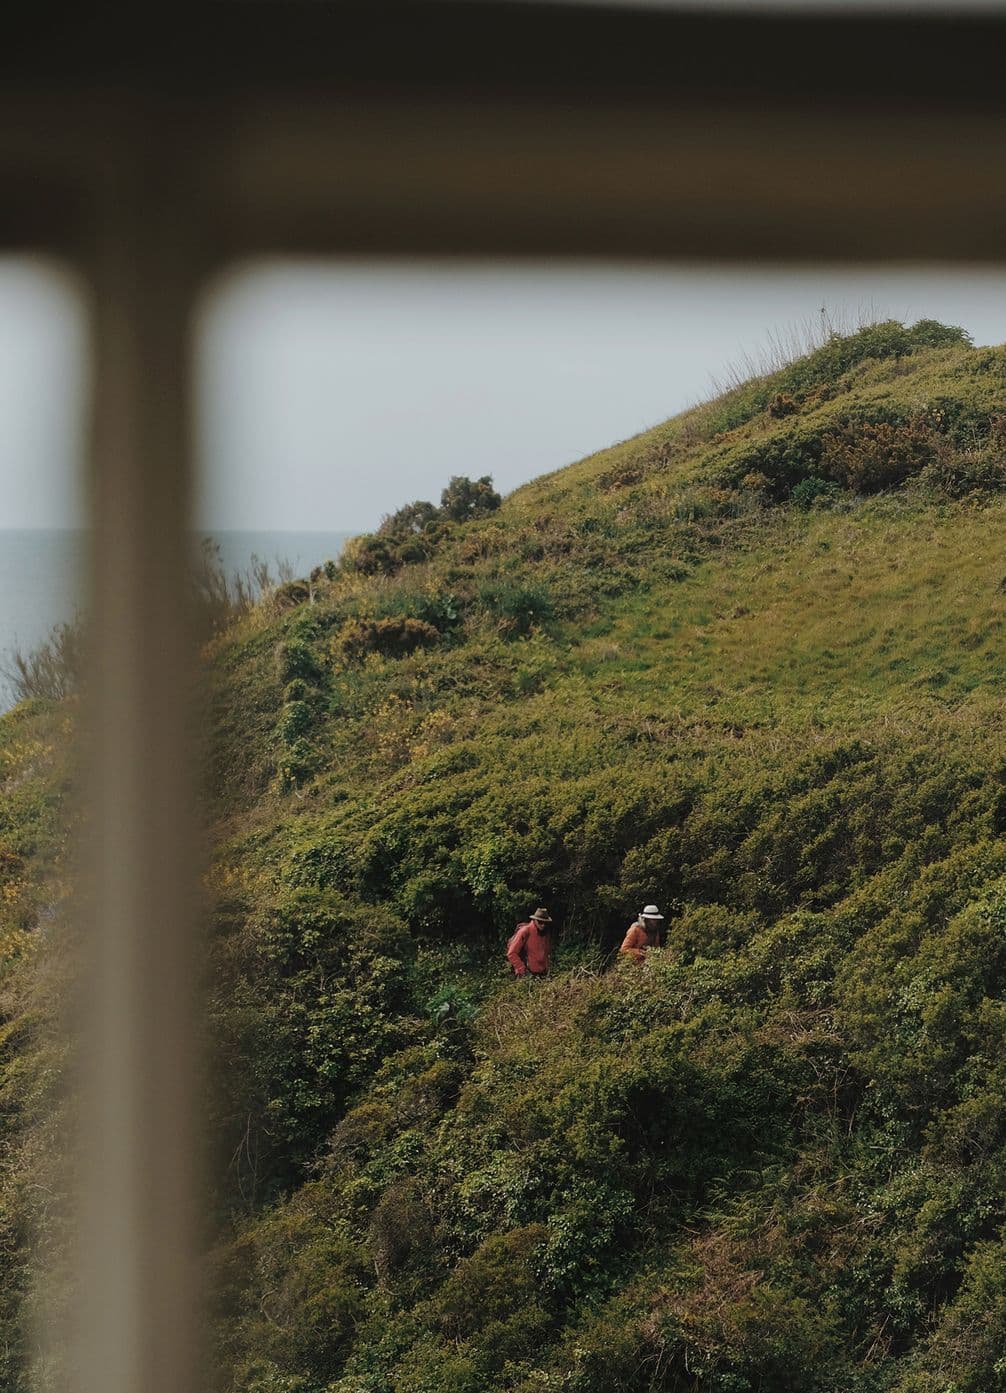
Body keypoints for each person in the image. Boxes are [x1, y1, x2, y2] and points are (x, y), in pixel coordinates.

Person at [507, 907, 553, 978]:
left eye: (545, 923)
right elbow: (511, 953)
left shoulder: (545, 933)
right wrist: (522, 970)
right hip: (527, 973)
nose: (543, 925)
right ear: (535, 920)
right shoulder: (525, 931)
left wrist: (548, 969)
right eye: (540, 922)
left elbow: (547, 953)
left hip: (542, 973)